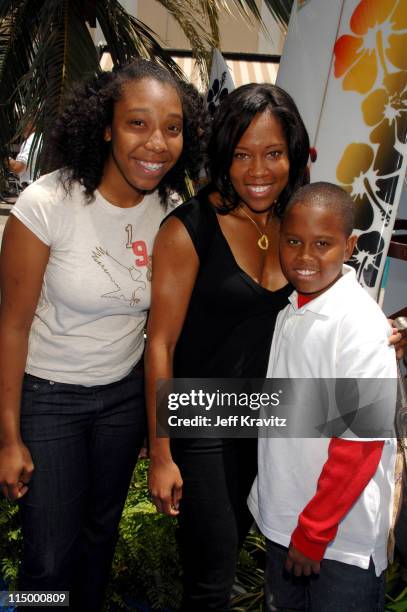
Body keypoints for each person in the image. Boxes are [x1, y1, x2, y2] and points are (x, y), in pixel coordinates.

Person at [0, 59, 205, 611]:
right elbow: (11, 326)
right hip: (48, 397)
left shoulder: (170, 213)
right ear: (107, 126)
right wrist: (9, 436)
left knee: (100, 539)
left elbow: (160, 332)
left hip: (120, 400)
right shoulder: (49, 203)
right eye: (138, 123)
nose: (156, 143)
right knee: (47, 556)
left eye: (172, 126)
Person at [145, 83, 310, 611]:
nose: (258, 170)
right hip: (202, 420)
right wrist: (162, 451)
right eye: (241, 155)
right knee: (211, 580)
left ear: (295, 155)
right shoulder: (189, 229)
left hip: (267, 421)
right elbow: (160, 344)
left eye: (272, 153)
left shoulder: (296, 227)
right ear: (223, 155)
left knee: (240, 556)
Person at [248, 182, 397, 611]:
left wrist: (312, 534)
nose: (305, 256)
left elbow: (359, 445)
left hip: (337, 545)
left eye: (323, 244)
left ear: (350, 246)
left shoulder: (358, 324)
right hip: (286, 526)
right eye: (293, 241)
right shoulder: (290, 309)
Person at [7, 122, 38, 188]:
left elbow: (17, 167)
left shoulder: (30, 142)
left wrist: (5, 158)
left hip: (32, 187)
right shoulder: (41, 138)